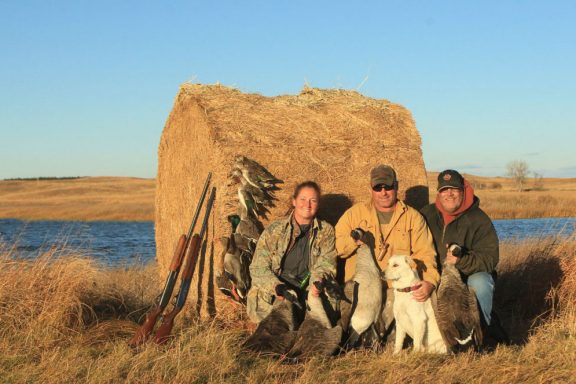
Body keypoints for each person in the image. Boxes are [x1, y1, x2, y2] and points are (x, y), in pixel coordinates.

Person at [335, 164, 440, 310]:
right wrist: (353, 241)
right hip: (362, 290)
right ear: (370, 188)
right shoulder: (354, 215)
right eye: (378, 188)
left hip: (397, 291)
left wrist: (429, 281)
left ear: (396, 186)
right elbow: (337, 248)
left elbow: (425, 254)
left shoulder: (413, 218)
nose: (383, 192)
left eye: (388, 187)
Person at [420, 169, 504, 342]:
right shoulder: (426, 215)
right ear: (439, 193)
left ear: (463, 191)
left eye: (454, 189)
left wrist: (461, 261)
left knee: (481, 282)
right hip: (436, 276)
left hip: (467, 275)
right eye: (444, 190)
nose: (449, 194)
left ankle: (481, 334)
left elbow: (490, 259)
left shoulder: (479, 219)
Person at [247, 181, 337, 323]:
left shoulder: (326, 231)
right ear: (294, 201)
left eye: (313, 200)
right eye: (303, 199)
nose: (307, 205)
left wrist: (317, 282)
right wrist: (277, 287)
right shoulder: (274, 230)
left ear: (318, 204)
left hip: (308, 290)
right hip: (279, 291)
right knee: (280, 325)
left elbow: (326, 263)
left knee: (320, 328)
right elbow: (258, 267)